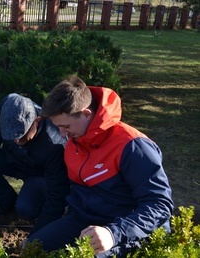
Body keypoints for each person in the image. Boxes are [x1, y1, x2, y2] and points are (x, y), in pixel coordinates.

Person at [26, 76, 174, 257]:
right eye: (57, 127)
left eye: (65, 126)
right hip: (85, 221)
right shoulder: (74, 142)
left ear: (86, 113)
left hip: (127, 228)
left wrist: (113, 233)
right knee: (34, 248)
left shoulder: (133, 146)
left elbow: (160, 205)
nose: (62, 134)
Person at [0, 93, 70, 233]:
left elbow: (57, 195)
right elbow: (0, 125)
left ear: (37, 121)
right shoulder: (7, 104)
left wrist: (38, 234)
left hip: (39, 174)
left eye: (21, 136)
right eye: (11, 136)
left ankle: (29, 205)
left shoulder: (55, 144)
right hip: (14, 159)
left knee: (26, 209)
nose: (16, 141)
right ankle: (7, 202)